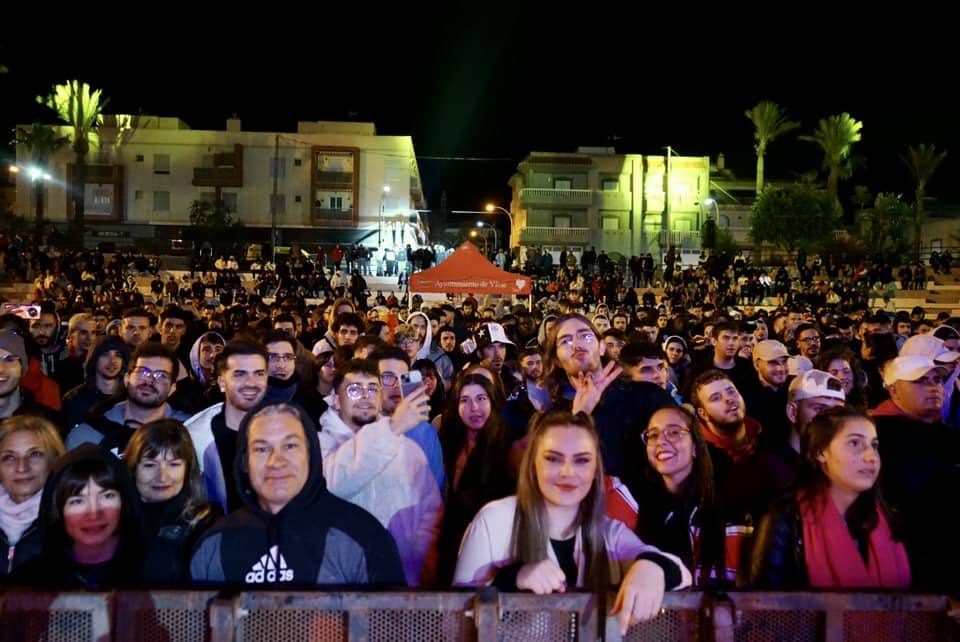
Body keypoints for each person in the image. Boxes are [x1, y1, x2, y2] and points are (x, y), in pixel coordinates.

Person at [453, 410, 691, 635]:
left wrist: (652, 567)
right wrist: (513, 578)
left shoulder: (607, 531)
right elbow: (454, 621)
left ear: (595, 469)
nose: (568, 472)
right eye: (553, 459)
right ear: (533, 465)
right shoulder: (495, 520)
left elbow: (681, 573)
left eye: (581, 461)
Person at [190, 400, 406, 587]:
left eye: (290, 446)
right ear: (244, 462)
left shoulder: (363, 535)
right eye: (262, 449)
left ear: (311, 454)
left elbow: (392, 628)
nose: (276, 461)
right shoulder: (214, 542)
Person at [751, 407, 911, 590]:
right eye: (855, 444)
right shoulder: (785, 518)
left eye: (874, 445)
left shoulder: (889, 517)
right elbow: (763, 604)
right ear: (821, 452)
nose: (871, 457)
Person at [627, 406, 745, 586]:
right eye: (653, 435)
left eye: (674, 432)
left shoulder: (727, 507)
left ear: (695, 448)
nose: (661, 441)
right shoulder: (635, 504)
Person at [12, 443, 143, 588]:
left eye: (107, 496)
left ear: (124, 502)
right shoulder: (30, 580)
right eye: (77, 501)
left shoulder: (159, 568)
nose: (93, 513)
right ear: (58, 510)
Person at [123, 419, 220, 584]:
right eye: (149, 465)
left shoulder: (205, 521)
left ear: (188, 469)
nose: (162, 477)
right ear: (132, 468)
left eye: (174, 464)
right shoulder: (114, 519)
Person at [0, 416, 65, 577]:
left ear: (54, 460)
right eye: (9, 457)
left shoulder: (70, 522)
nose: (22, 467)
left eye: (35, 454)